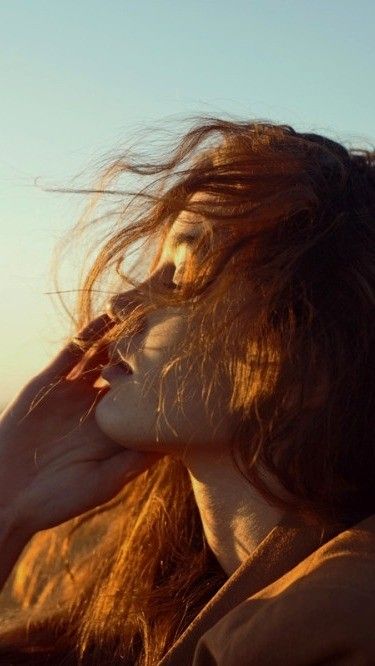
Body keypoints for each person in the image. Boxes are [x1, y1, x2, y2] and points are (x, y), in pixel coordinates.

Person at [0, 118, 374, 665]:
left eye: (184, 269)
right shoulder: (173, 611)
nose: (124, 306)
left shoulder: (336, 622)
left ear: (309, 338)